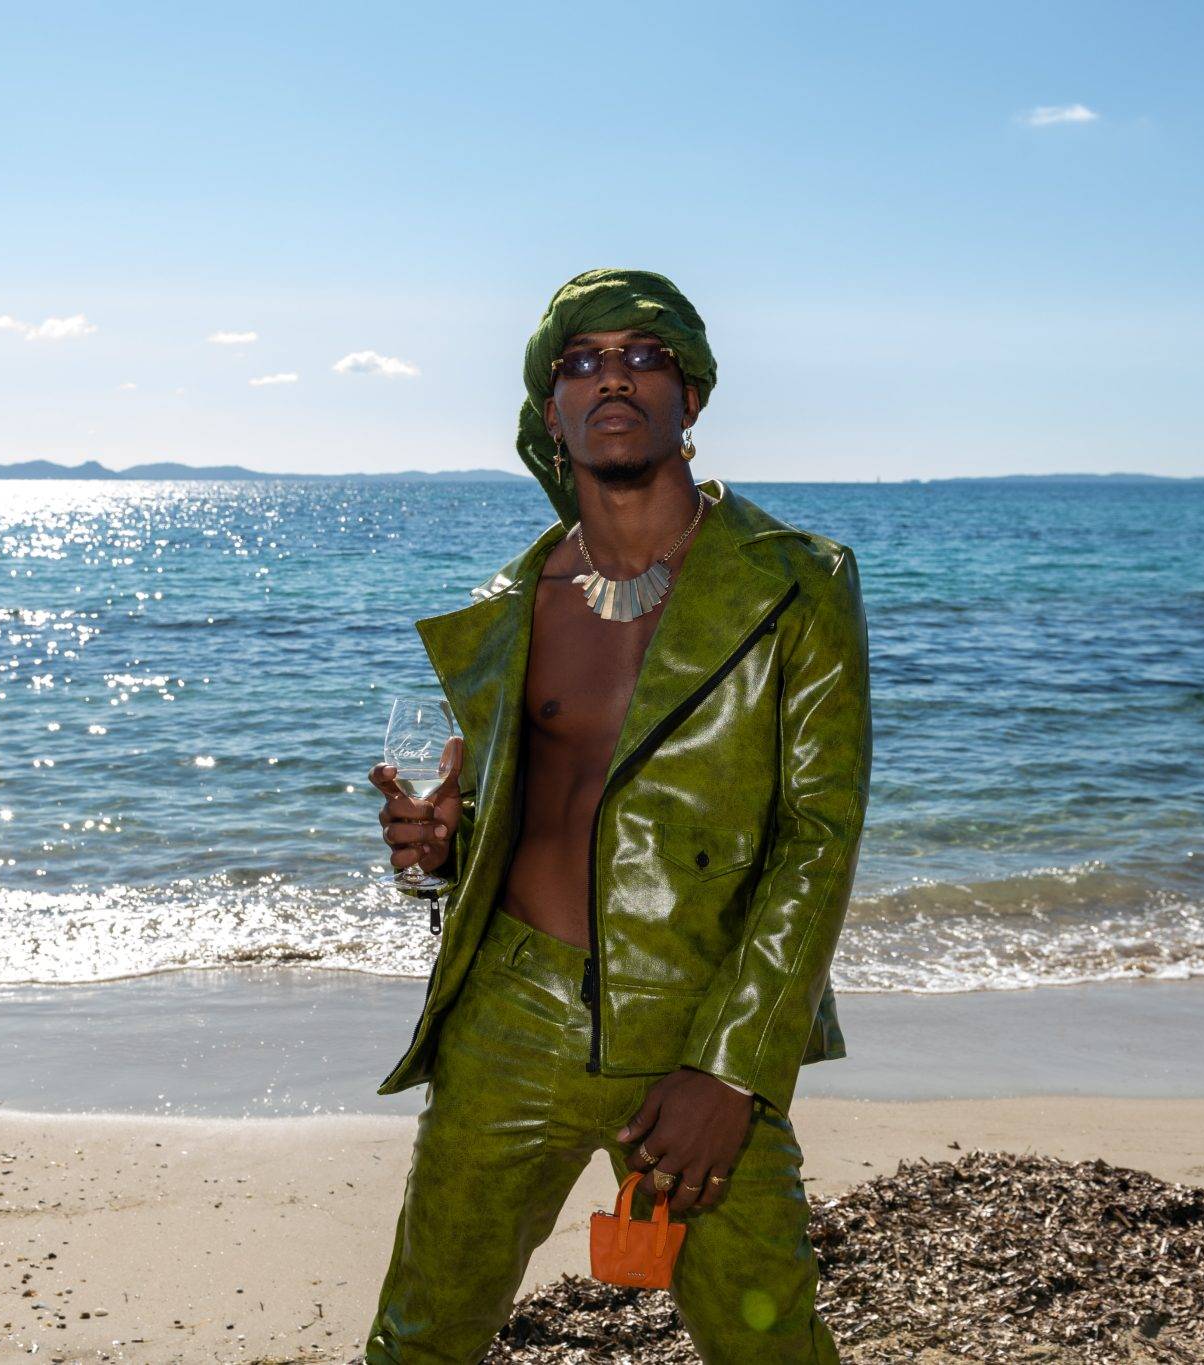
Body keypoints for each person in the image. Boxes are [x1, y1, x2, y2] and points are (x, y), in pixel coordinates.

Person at [362, 268, 872, 1363]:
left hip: (697, 1021)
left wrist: (732, 1067)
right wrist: (443, 853)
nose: (612, 378)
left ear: (690, 395)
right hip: (508, 1014)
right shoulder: (506, 605)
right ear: (547, 413)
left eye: (642, 356)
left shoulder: (797, 584)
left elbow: (815, 842)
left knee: (769, 1344)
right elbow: (527, 816)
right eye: (580, 362)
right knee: (418, 1340)